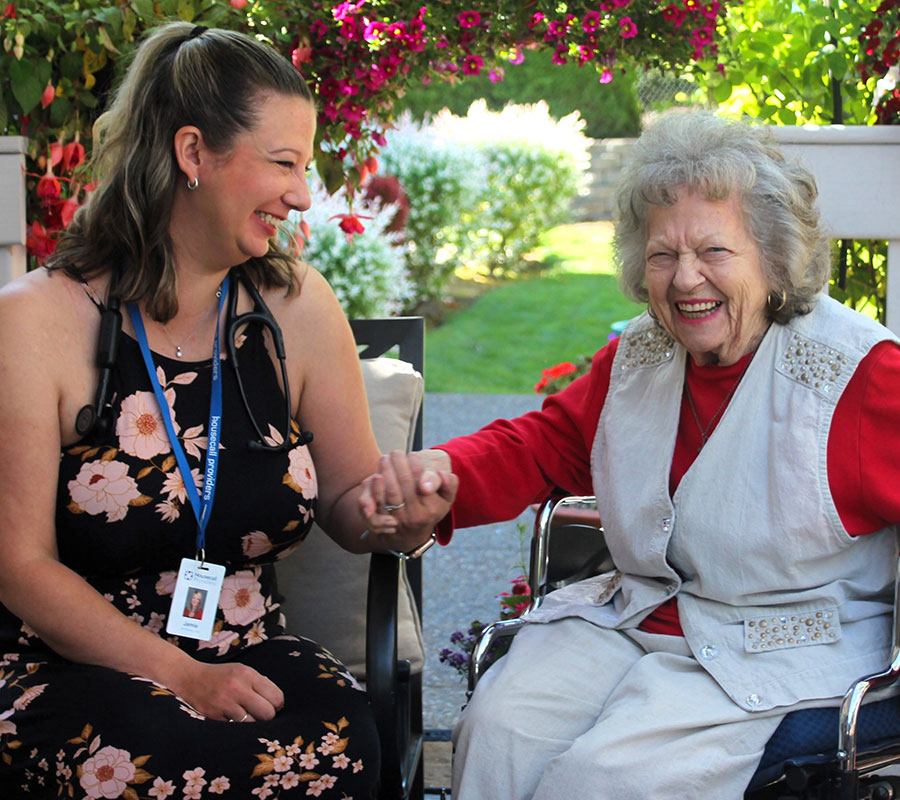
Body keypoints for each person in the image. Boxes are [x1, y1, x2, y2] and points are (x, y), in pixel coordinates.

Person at [361, 112, 900, 798]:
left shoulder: (858, 377)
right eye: (662, 255)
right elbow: (544, 445)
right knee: (500, 729)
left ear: (772, 258)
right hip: (637, 616)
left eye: (714, 251)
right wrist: (444, 473)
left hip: (780, 643)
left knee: (603, 780)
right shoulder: (640, 356)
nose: (685, 280)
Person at [0, 21, 452, 798]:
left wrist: (399, 515)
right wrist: (180, 675)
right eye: (283, 163)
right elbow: (19, 565)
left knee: (346, 741)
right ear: (192, 154)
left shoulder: (297, 308)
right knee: (152, 769)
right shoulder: (36, 321)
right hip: (72, 663)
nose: (303, 194)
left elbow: (350, 501)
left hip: (243, 648)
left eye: (303, 168)